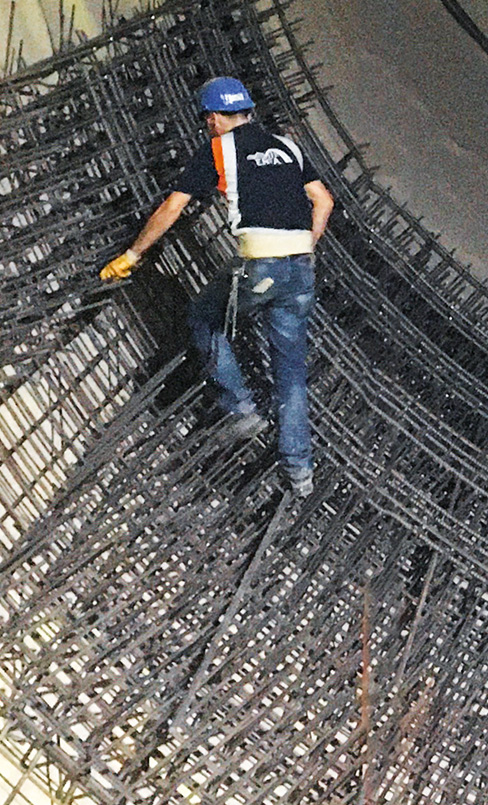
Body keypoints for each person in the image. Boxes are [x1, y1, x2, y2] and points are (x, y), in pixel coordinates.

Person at [101, 77, 335, 498]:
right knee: (292, 374)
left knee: (204, 317)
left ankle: (240, 405)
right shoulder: (287, 146)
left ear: (213, 118)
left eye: (206, 120)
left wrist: (133, 255)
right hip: (301, 268)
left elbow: (173, 206)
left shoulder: (218, 149)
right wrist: (302, 248)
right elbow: (324, 201)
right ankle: (300, 473)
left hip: (260, 265)